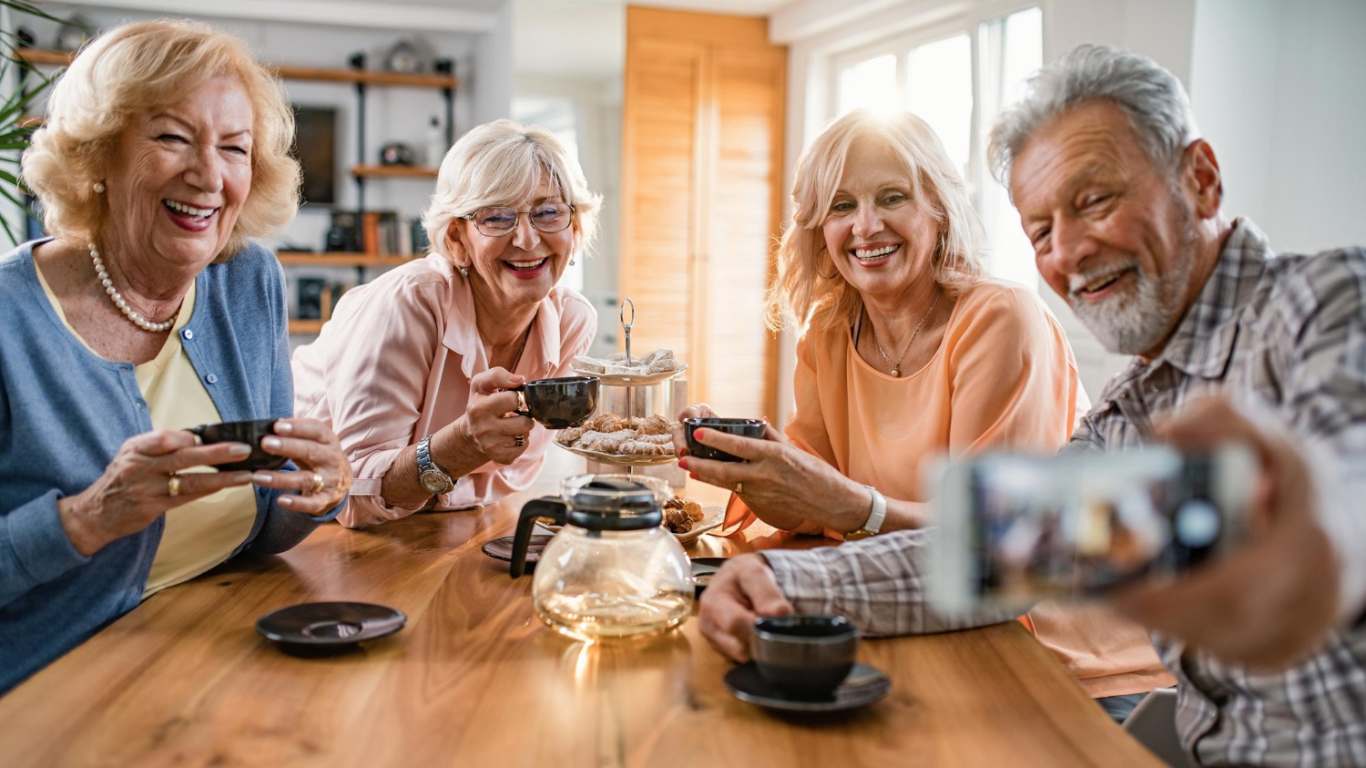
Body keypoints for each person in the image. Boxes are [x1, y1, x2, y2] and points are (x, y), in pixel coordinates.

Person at [698, 45, 1366, 765]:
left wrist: (1299, 538)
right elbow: (995, 551)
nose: (1068, 252)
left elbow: (1342, 494)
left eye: (1094, 201)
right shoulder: (1133, 407)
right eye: (1041, 230)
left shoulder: (1326, 303)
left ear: (1200, 179)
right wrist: (784, 580)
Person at [677, 109, 1171, 716]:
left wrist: (852, 507)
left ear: (938, 209)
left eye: (892, 197)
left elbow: (996, 546)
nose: (866, 226)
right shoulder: (829, 333)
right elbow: (807, 511)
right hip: (923, 624)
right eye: (841, 206)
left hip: (1063, 656)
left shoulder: (999, 319)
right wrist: (754, 467)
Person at [1, 21, 352, 694]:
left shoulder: (246, 281)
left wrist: (315, 494)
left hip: (211, 652)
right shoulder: (9, 318)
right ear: (98, 153)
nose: (209, 175)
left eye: (234, 148)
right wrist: (88, 518)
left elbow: (259, 523)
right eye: (171, 137)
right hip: (44, 686)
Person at [292, 120, 600, 527]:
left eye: (548, 213)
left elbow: (506, 476)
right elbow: (351, 497)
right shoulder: (409, 303)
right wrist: (461, 447)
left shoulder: (572, 321)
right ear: (457, 239)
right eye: (497, 217)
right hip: (296, 519)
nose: (527, 239)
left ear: (574, 228)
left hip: (439, 525)